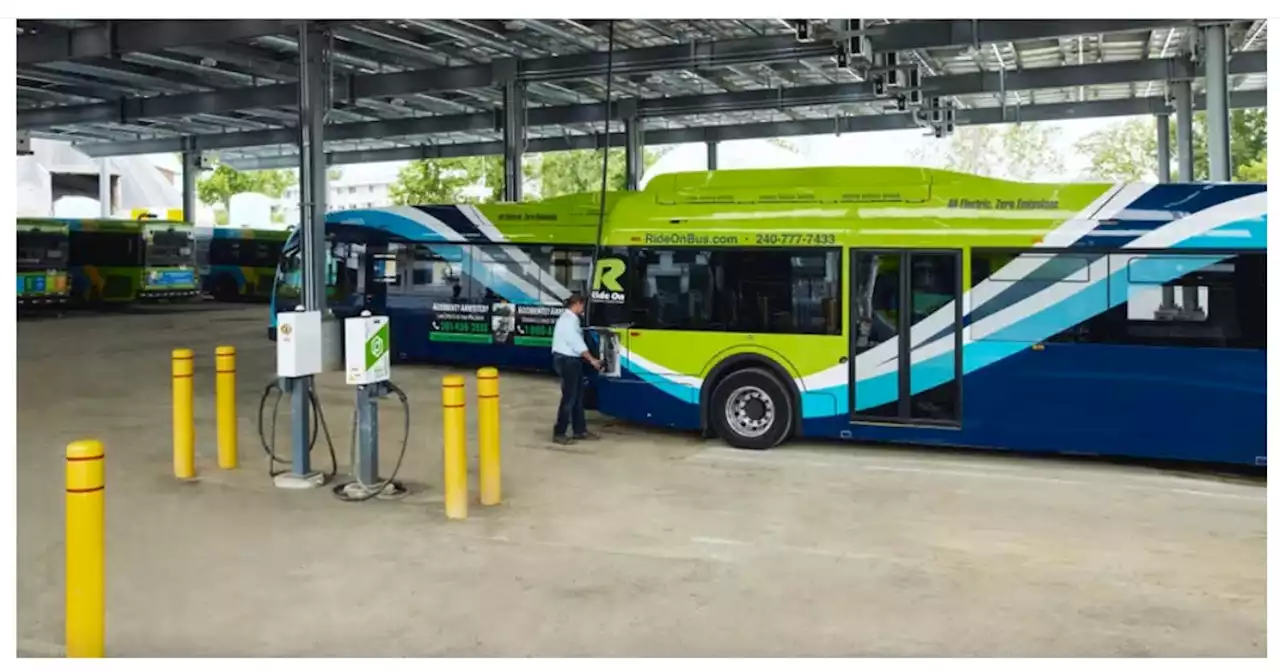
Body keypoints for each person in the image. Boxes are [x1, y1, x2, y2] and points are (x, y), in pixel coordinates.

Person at [550, 293, 603, 444]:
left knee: (578, 397)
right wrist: (592, 360)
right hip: (567, 361)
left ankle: (579, 430)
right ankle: (559, 433)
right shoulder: (568, 321)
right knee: (569, 399)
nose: (584, 309)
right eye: (583, 305)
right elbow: (577, 344)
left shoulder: (571, 319)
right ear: (578, 304)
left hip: (571, 361)